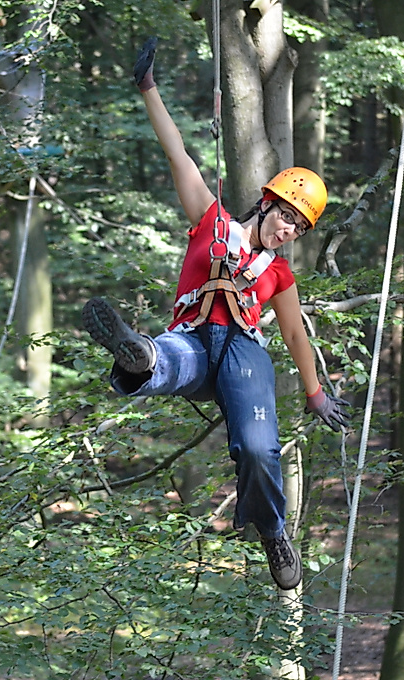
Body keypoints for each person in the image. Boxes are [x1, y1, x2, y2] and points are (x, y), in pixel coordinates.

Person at [82, 38, 350, 591]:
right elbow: (178, 152)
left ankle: (272, 530)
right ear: (269, 201)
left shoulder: (278, 274)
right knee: (165, 359)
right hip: (193, 337)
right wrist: (148, 89)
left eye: (300, 228)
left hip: (244, 353)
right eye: (288, 217)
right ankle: (137, 356)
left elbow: (296, 332)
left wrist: (314, 391)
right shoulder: (213, 220)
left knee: (256, 447)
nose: (290, 230)